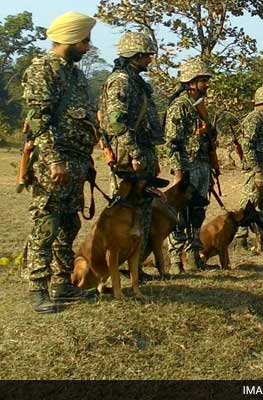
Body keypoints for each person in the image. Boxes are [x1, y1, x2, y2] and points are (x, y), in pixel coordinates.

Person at [21, 11, 99, 313]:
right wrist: (54, 161)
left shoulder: (76, 73)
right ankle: (38, 288)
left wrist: (86, 161)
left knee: (69, 224)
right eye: (85, 41)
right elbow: (39, 119)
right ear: (70, 38)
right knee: (47, 224)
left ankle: (61, 284)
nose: (88, 46)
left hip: (76, 163)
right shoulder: (43, 69)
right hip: (54, 165)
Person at [98, 31, 163, 280]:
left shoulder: (135, 81)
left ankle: (136, 268)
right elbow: (116, 123)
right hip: (127, 154)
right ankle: (113, 268)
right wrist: (135, 153)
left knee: (143, 210)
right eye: (147, 55)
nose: (149, 59)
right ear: (135, 56)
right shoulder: (121, 81)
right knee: (123, 211)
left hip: (141, 150)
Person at [164, 58, 214, 272]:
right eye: (203, 80)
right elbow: (172, 143)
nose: (207, 84)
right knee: (179, 215)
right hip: (186, 166)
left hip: (201, 165)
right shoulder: (179, 107)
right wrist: (178, 173)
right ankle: (176, 261)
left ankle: (194, 258)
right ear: (191, 82)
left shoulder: (199, 107)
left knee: (197, 212)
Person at [234, 84, 263, 252]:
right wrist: (256, 170)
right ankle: (240, 239)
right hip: (258, 168)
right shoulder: (253, 119)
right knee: (249, 203)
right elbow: (247, 145)